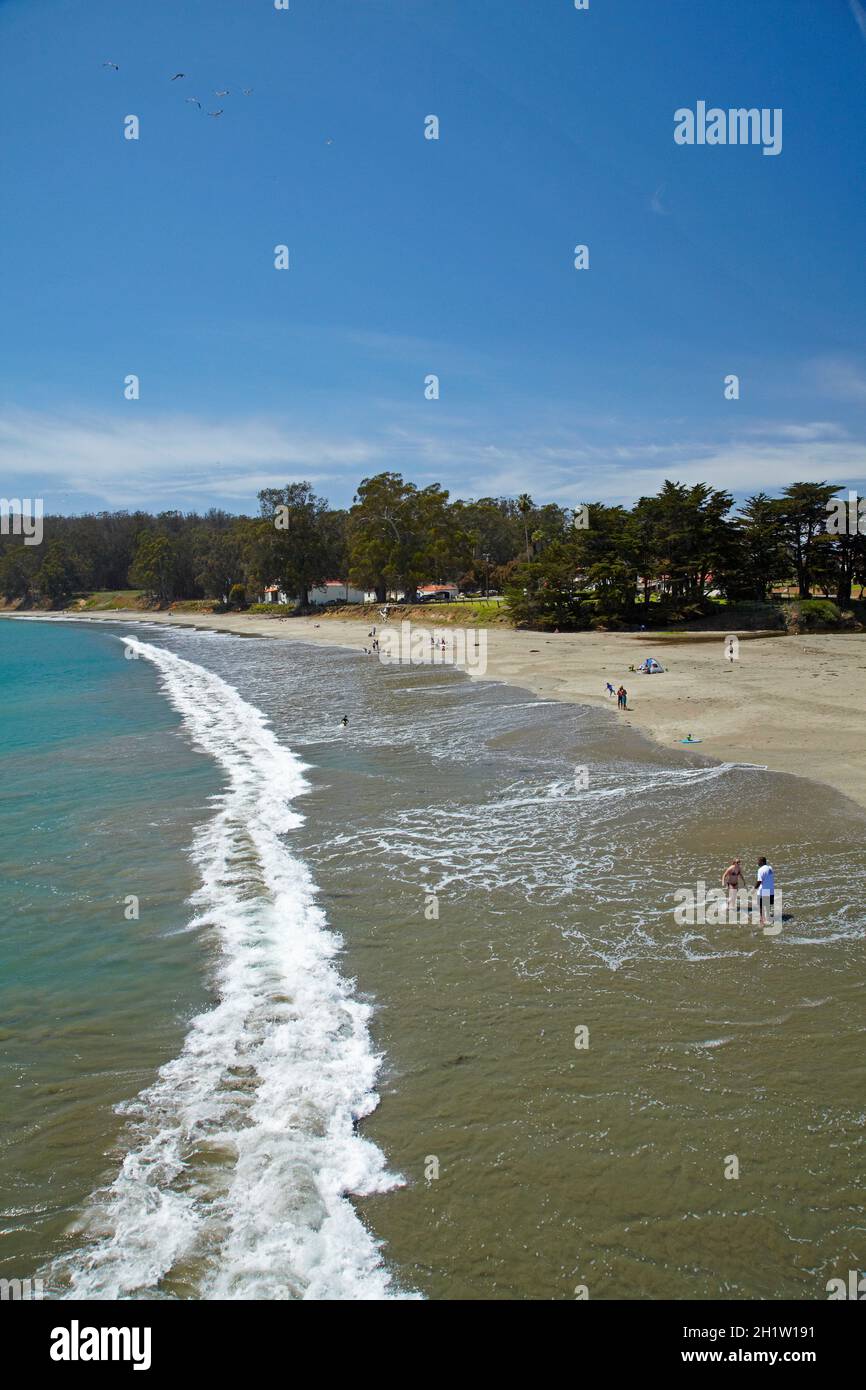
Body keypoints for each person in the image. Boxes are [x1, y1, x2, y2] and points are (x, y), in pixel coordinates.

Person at [755, 856, 775, 925]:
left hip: (764, 891)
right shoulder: (770, 868)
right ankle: (770, 920)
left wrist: (754, 889)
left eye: (758, 861)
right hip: (771, 890)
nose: (757, 863)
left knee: (761, 906)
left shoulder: (760, 870)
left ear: (762, 862)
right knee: (769, 905)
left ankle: (762, 920)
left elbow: (759, 881)